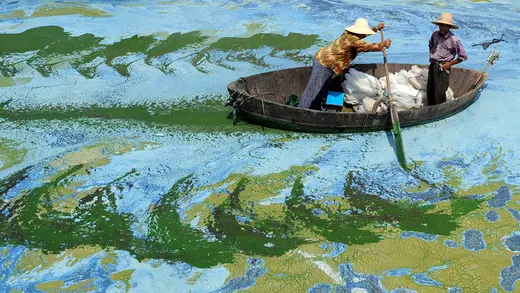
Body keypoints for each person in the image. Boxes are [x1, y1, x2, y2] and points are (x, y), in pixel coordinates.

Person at [298, 18, 391, 110]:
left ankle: (314, 106)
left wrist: (376, 28)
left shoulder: (350, 33)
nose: (364, 34)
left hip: (329, 63)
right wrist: (382, 44)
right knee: (313, 89)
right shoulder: (353, 40)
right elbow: (366, 47)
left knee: (323, 87)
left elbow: (363, 35)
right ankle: (302, 110)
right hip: (324, 63)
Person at [427, 12, 468, 106]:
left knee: (439, 92)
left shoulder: (454, 40)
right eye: (441, 25)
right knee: (430, 89)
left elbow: (463, 56)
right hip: (433, 65)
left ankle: (439, 111)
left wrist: (449, 64)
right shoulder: (434, 35)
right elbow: (431, 45)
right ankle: (430, 110)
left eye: (445, 25)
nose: (442, 27)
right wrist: (432, 55)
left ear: (449, 27)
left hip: (443, 67)